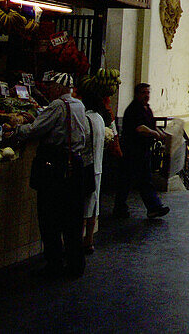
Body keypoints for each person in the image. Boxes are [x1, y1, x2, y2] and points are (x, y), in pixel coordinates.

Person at [11, 72, 91, 277]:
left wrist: (16, 130)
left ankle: (54, 264)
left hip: (56, 166)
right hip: (76, 165)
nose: (49, 89)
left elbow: (36, 130)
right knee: (73, 218)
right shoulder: (79, 105)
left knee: (50, 217)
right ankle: (76, 264)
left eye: (52, 86)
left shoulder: (57, 105)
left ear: (58, 88)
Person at [111, 83, 170, 219]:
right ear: (137, 94)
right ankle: (150, 207)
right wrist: (155, 134)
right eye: (143, 92)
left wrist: (160, 133)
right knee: (134, 180)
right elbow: (140, 128)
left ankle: (147, 207)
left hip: (142, 150)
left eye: (148, 92)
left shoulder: (147, 109)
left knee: (138, 179)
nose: (146, 95)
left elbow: (150, 126)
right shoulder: (133, 110)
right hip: (132, 150)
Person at [79, 85, 109, 254]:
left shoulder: (86, 119)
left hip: (87, 167)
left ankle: (79, 241)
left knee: (84, 207)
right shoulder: (99, 118)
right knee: (93, 207)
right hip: (98, 167)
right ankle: (89, 240)